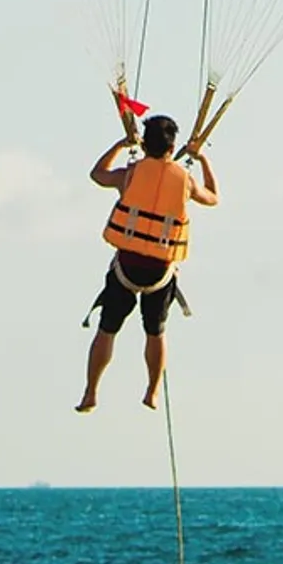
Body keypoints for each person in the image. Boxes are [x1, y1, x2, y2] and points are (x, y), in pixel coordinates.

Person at [75, 112, 218, 412]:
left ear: (145, 144)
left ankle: (91, 392)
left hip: (126, 268)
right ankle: (152, 392)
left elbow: (97, 174)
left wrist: (121, 144)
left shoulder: (130, 175)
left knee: (107, 329)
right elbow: (213, 197)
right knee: (156, 331)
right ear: (171, 147)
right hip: (160, 273)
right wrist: (201, 159)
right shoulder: (186, 182)